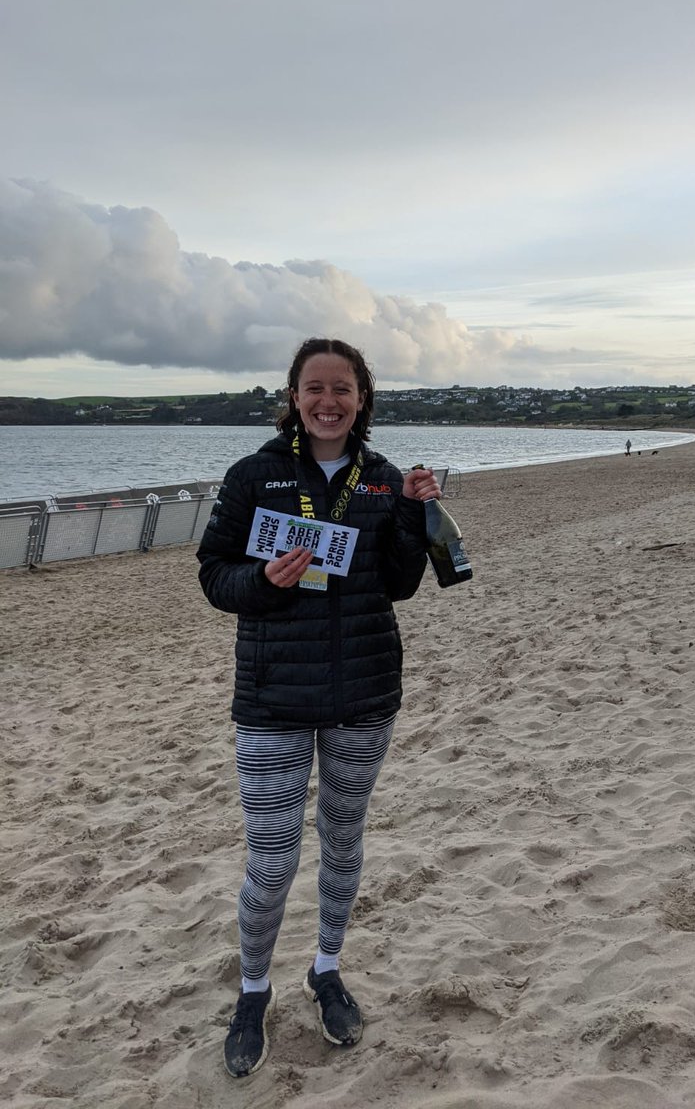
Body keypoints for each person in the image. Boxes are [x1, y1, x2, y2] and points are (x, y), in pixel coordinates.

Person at [197, 337, 441, 1078]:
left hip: (364, 695)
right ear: (294, 397)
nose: (328, 401)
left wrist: (412, 516)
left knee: (342, 840)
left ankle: (326, 968)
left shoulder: (385, 478)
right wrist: (264, 582)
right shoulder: (253, 476)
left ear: (362, 398)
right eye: (314, 388)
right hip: (271, 697)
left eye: (343, 389)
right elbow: (213, 574)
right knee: (271, 862)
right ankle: (252, 991)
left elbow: (399, 585)